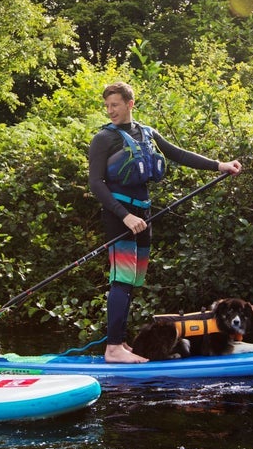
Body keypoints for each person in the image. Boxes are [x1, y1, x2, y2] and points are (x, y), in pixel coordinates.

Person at [87, 82, 242, 363]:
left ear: (130, 104)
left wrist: (219, 165)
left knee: (132, 282)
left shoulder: (147, 133)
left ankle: (120, 342)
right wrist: (125, 216)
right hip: (120, 217)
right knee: (121, 281)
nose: (110, 111)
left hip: (144, 215)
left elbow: (179, 154)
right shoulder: (103, 139)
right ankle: (113, 348)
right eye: (107, 106)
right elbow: (96, 184)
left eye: (115, 105)